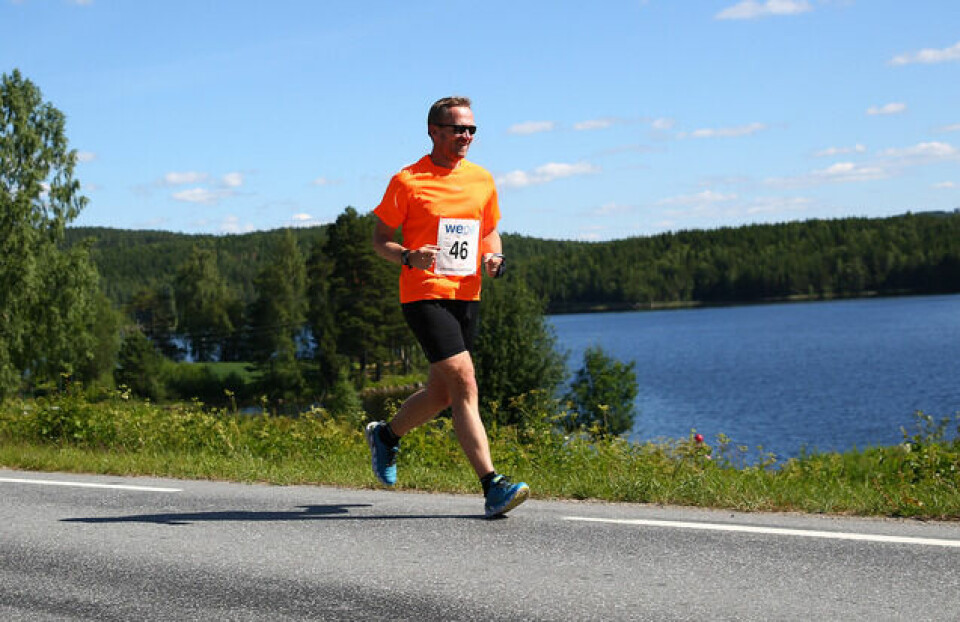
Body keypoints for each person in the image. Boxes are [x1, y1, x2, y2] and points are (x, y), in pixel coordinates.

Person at [366, 96, 529, 518]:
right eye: (459, 129)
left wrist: (494, 258)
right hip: (423, 292)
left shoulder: (482, 179)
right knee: (464, 382)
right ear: (434, 131)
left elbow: (489, 232)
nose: (467, 136)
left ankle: (386, 436)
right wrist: (407, 256)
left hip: (466, 294)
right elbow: (380, 238)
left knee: (441, 393)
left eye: (472, 129)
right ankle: (493, 485)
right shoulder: (408, 181)